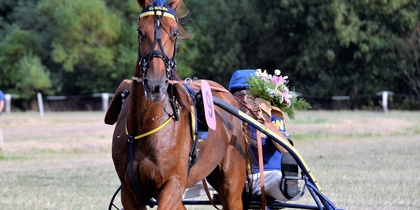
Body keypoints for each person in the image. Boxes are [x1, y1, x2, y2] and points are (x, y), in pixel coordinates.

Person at [228, 69, 304, 202]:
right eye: (239, 95)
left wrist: (265, 124)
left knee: (278, 179)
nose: (245, 99)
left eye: (250, 94)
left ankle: (289, 182)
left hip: (269, 176)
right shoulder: (226, 119)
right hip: (235, 177)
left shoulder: (273, 116)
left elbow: (286, 150)